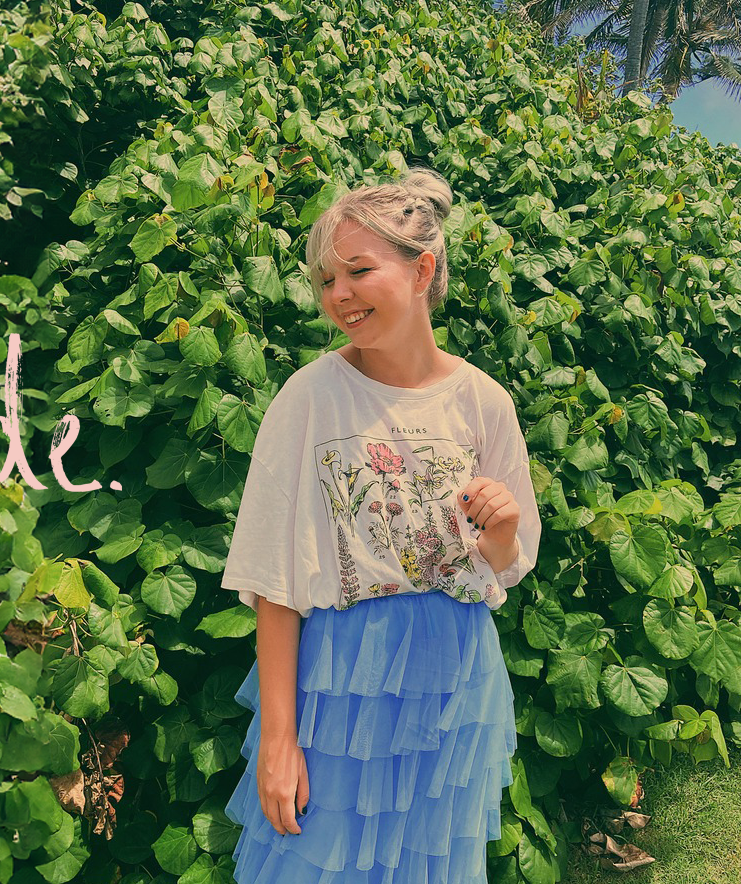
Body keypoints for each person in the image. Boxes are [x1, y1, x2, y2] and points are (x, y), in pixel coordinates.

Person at [220, 166, 542, 883]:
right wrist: (279, 739)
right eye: (325, 280)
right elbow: (275, 579)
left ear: (421, 268)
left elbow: (504, 566)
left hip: (458, 676)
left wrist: (502, 528)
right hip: (342, 679)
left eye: (357, 270)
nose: (337, 294)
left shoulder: (484, 403)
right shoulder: (310, 399)